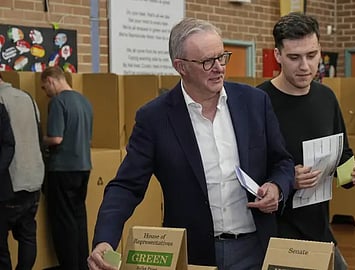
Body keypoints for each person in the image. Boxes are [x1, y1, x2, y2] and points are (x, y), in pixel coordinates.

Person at [87, 17, 294, 270]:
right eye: (208, 62)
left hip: (254, 248)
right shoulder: (155, 118)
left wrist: (276, 187)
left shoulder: (254, 102)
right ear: (180, 66)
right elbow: (126, 187)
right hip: (194, 253)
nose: (219, 68)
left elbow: (282, 161)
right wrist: (105, 240)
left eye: (222, 57)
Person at [256, 12, 355, 270]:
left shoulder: (326, 98)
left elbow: (342, 156)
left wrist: (354, 172)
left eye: (312, 55)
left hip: (319, 230)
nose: (305, 66)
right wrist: (285, 181)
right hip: (277, 234)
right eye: (294, 57)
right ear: (278, 56)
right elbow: (245, 172)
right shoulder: (258, 102)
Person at [40, 66, 93, 270]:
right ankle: (82, 263)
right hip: (83, 166)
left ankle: (69, 266)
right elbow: (88, 139)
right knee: (79, 217)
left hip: (62, 168)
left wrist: (38, 140)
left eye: (45, 88)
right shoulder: (85, 101)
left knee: (63, 222)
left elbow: (56, 138)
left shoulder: (58, 102)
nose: (46, 93)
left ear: (52, 80)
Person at [0, 74, 44, 270]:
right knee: (27, 236)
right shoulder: (27, 97)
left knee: (0, 243)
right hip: (34, 176)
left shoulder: (1, 100)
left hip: (10, 179)